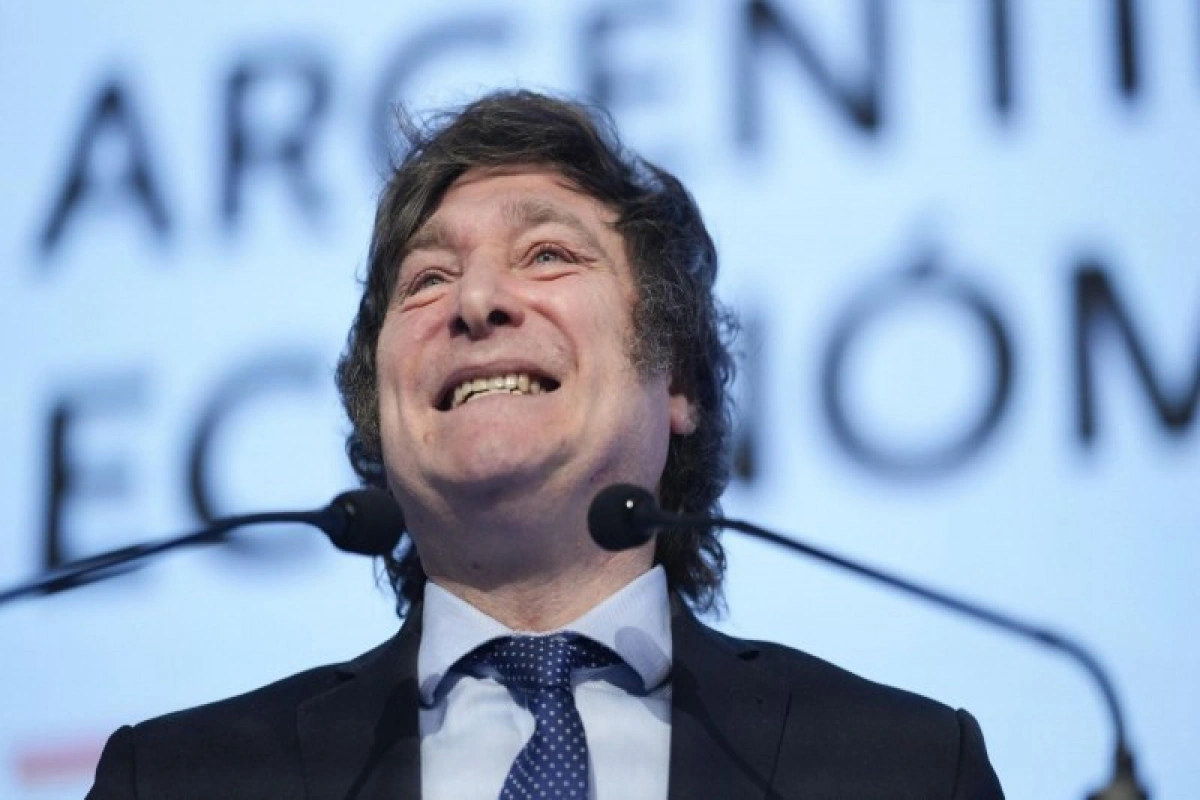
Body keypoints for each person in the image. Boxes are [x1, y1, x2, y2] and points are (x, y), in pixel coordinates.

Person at [87, 90, 1004, 799]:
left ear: (676, 381)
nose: (476, 301)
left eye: (548, 256)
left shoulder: (908, 766)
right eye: (428, 277)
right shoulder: (172, 780)